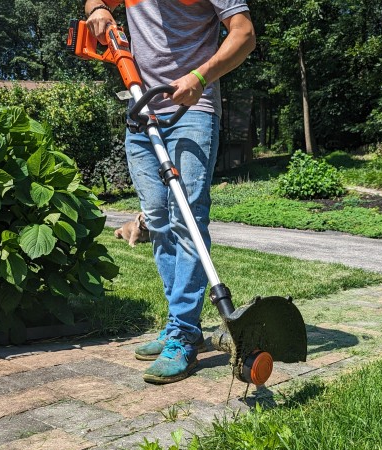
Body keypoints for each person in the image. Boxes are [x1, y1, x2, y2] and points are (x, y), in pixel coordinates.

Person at [84, 0, 255, 384]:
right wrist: (97, 9)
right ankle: (180, 323)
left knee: (187, 219)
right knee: (159, 220)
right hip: (140, 107)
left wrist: (200, 76)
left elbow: (244, 34)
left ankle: (182, 333)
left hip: (191, 108)